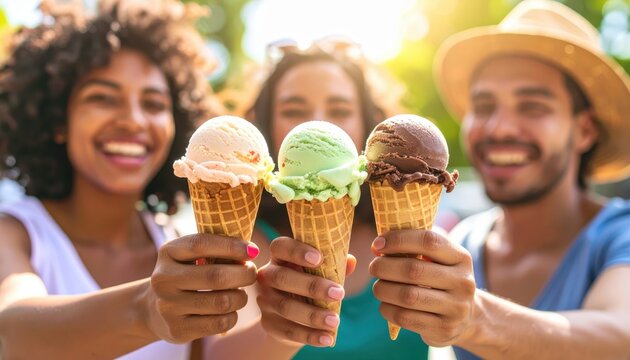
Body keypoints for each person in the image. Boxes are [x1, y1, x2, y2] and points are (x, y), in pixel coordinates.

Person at [254, 1, 630, 359]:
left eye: (533, 105)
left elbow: (620, 337)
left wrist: (475, 318)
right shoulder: (464, 241)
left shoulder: (620, 236)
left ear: (584, 130)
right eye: (483, 106)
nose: (499, 127)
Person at [0, 1, 259, 358]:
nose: (134, 121)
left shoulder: (178, 242)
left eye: (153, 103)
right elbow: (11, 333)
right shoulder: (16, 232)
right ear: (59, 119)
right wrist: (145, 309)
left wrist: (283, 327)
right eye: (103, 98)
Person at [236, 39, 431, 359]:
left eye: (340, 110)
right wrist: (280, 334)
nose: (319, 123)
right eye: (293, 110)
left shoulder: (410, 234)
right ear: (266, 125)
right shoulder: (243, 243)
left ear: (369, 126)